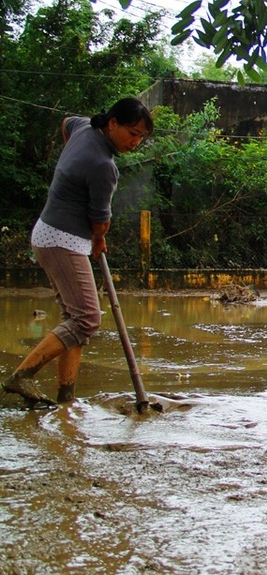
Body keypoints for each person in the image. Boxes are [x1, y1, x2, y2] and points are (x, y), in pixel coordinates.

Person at [2, 98, 154, 407]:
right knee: (86, 319)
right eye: (132, 133)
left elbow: (66, 122)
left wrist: (71, 162)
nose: (136, 142)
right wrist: (98, 240)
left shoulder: (84, 128)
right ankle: (22, 375)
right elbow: (100, 219)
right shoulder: (103, 166)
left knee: (74, 320)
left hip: (49, 234)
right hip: (63, 240)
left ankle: (66, 397)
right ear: (112, 123)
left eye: (141, 137)